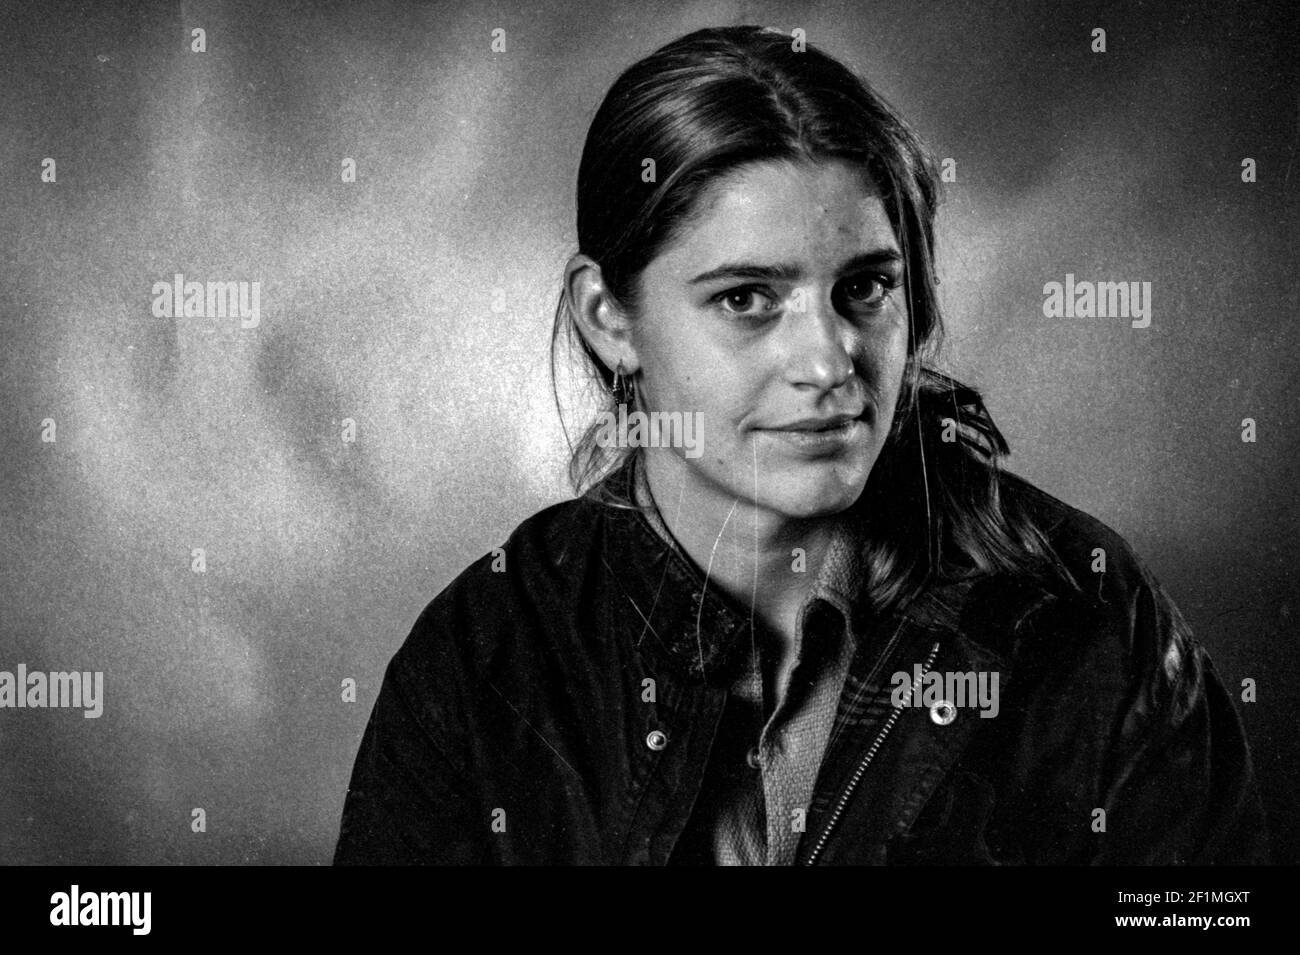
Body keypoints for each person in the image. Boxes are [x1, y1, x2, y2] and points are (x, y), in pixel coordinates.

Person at [333, 25, 1267, 865]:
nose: (829, 361)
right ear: (609, 316)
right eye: (746, 297)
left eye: (865, 288)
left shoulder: (1090, 618)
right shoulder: (488, 657)